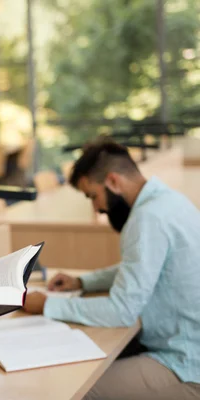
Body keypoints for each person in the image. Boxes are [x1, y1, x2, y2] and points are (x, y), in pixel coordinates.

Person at [23, 138, 200, 400]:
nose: (97, 208)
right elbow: (140, 268)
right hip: (186, 346)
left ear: (114, 182)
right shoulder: (168, 201)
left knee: (77, 389)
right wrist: (83, 283)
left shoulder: (146, 219)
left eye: (93, 196)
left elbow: (121, 311)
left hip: (185, 363)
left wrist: (47, 305)